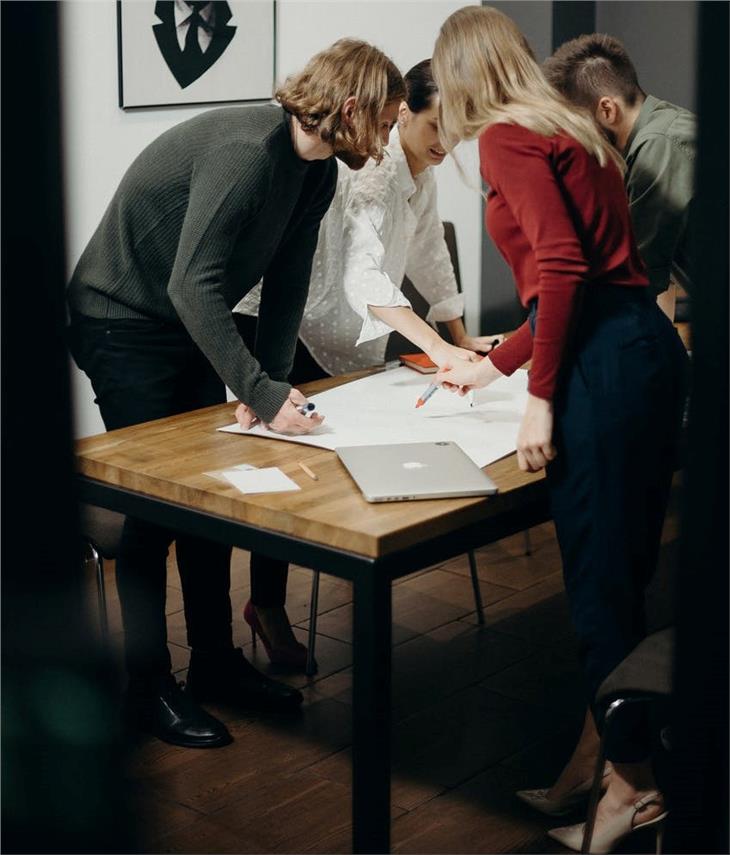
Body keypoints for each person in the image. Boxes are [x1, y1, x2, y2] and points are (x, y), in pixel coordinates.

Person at [68, 39, 405, 749]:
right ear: (349, 110)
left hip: (177, 319)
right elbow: (193, 284)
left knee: (209, 498)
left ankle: (215, 664)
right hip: (120, 317)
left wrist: (269, 386)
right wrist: (254, 384)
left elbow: (284, 286)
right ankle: (147, 686)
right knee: (156, 504)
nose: (388, 139)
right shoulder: (248, 153)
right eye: (386, 120)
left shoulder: (315, 176)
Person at [432, 7, 688, 852]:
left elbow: (565, 268)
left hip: (602, 368)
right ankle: (599, 760)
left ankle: (634, 790)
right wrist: (495, 365)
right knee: (626, 569)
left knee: (597, 586)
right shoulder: (569, 125)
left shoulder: (507, 138)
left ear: (460, 73)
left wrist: (537, 398)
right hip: (642, 348)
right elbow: (580, 275)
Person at [233, 59, 500, 670]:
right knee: (286, 459)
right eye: (436, 126)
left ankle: (351, 578)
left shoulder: (419, 170)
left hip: (342, 328)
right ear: (402, 112)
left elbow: (430, 251)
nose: (446, 144)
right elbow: (364, 275)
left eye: (457, 133)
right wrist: (438, 347)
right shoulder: (369, 171)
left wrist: (460, 333)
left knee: (344, 452)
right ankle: (268, 605)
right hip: (284, 317)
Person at [543, 34, 696, 321]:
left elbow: (636, 275)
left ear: (607, 110)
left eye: (575, 125)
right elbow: (657, 268)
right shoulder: (658, 132)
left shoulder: (658, 145)